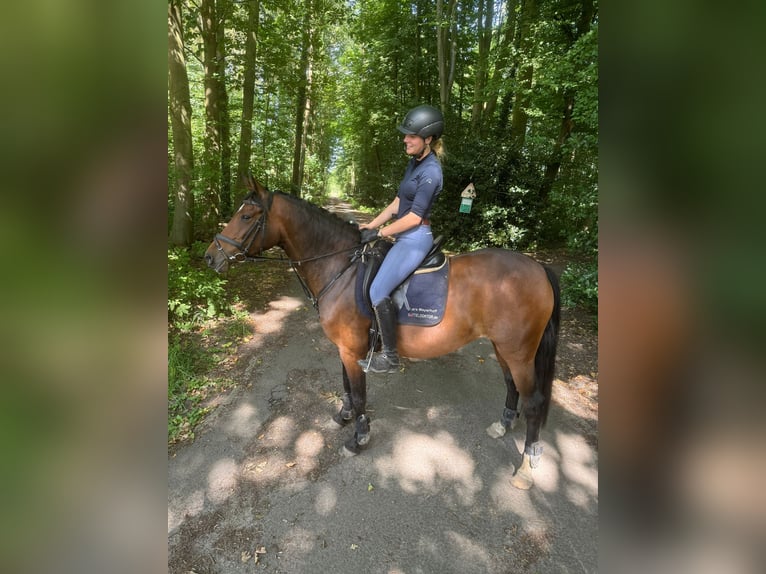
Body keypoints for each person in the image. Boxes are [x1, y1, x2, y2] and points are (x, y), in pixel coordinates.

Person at [358, 104, 445, 373]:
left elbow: (414, 218)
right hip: (404, 236)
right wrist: (370, 225)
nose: (405, 140)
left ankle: (391, 358)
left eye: (412, 136)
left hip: (415, 239)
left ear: (428, 139)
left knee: (377, 290)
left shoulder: (431, 172)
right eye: (406, 135)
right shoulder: (414, 164)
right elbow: (398, 203)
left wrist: (381, 233)